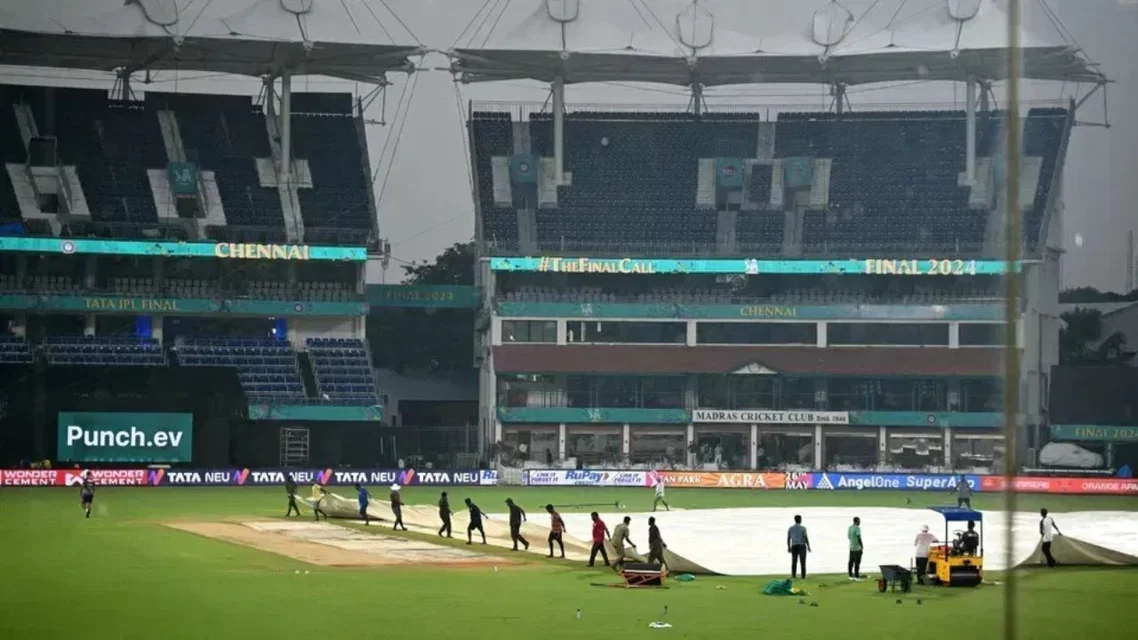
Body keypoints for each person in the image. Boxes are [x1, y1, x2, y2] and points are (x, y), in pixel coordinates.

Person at [787, 514, 811, 579]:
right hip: (801, 546)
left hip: (794, 546)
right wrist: (808, 546)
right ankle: (803, 576)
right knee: (802, 561)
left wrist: (789, 547)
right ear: (800, 520)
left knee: (794, 561)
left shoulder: (791, 528)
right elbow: (805, 537)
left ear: (795, 520)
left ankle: (793, 575)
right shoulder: (803, 528)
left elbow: (788, 538)